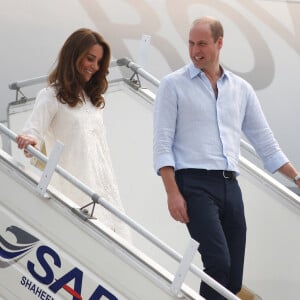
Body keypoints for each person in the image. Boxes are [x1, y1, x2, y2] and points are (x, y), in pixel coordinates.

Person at [153, 16, 300, 299]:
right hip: (193, 184)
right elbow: (162, 143)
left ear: (219, 43)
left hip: (231, 187)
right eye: (191, 43)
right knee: (218, 262)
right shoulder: (173, 85)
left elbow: (265, 142)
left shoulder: (241, 90)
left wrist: (295, 175)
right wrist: (172, 192)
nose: (195, 51)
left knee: (232, 279)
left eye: (203, 44)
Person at [16, 28, 131, 242]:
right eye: (90, 59)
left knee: (118, 242)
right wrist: (30, 140)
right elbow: (33, 132)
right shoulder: (50, 95)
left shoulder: (93, 101)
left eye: (98, 62)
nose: (94, 67)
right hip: (74, 191)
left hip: (105, 188)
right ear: (73, 55)